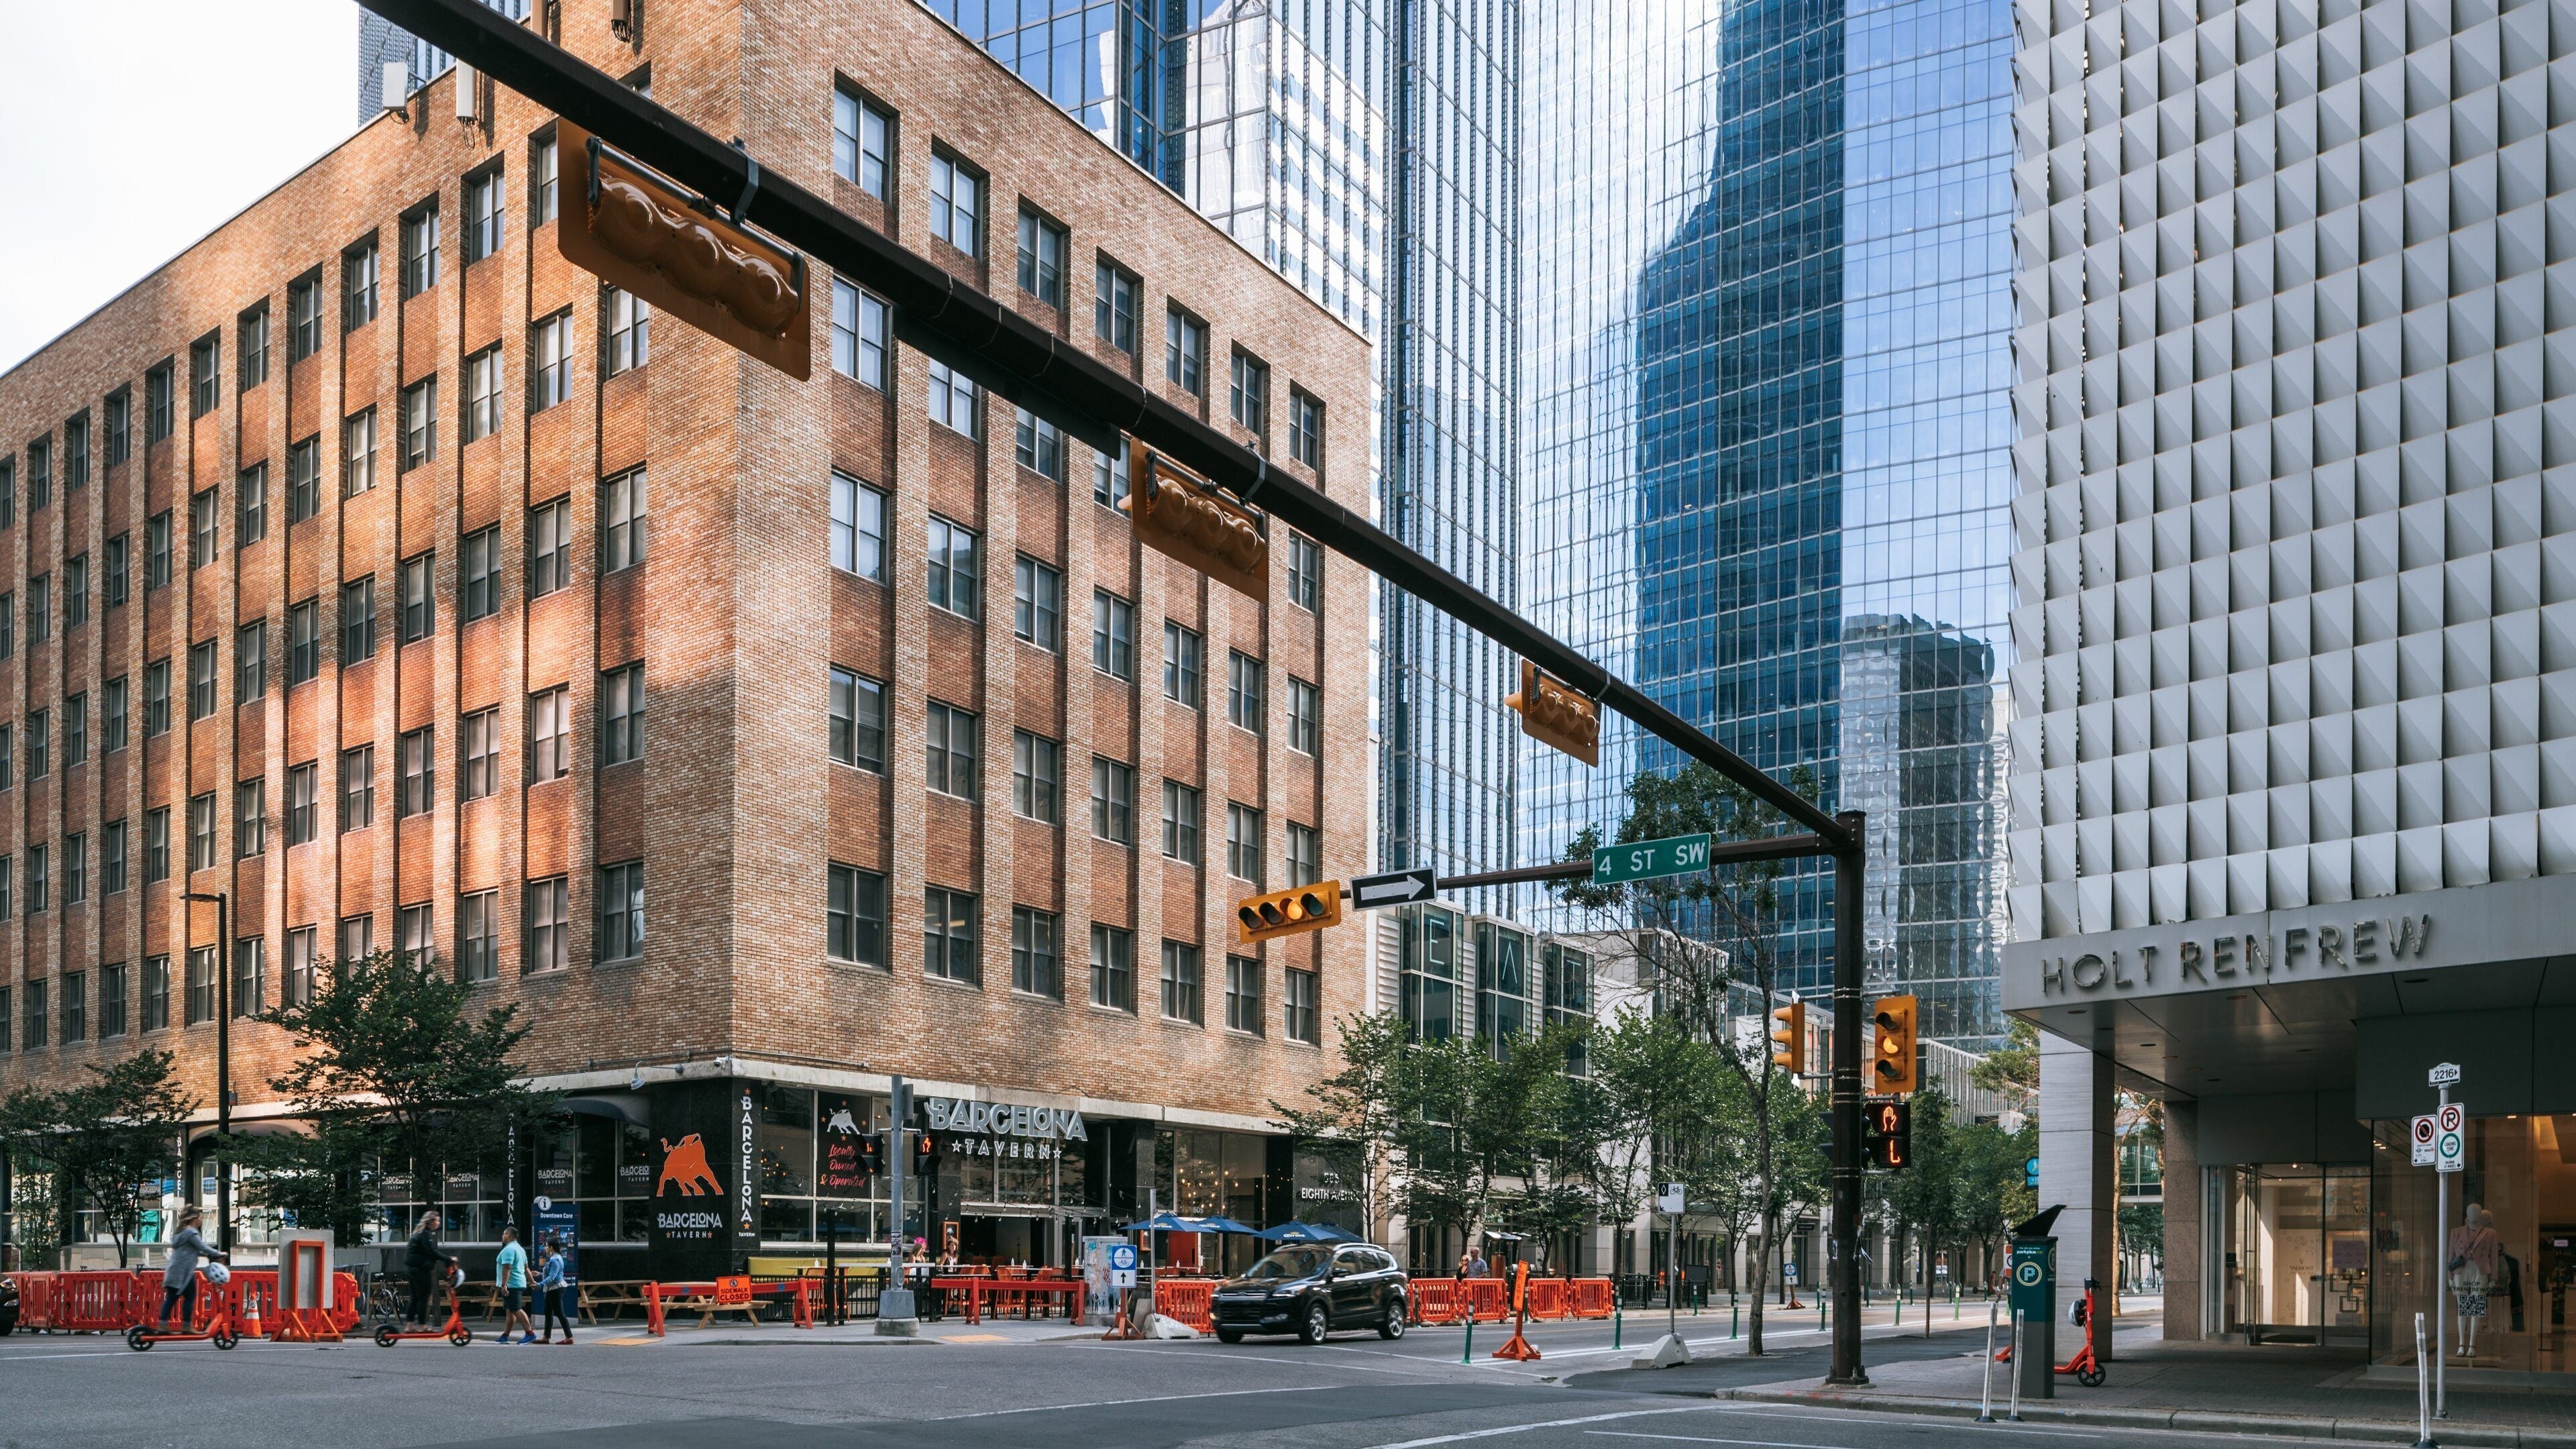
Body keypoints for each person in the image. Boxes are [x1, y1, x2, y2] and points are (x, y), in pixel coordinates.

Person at [155, 1208, 229, 1332]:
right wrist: (218, 1253)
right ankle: (186, 1325)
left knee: (173, 1298)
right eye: (200, 1218)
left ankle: (164, 1324)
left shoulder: (181, 1233)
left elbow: (193, 1250)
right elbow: (202, 1247)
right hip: (182, 1273)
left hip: (176, 1271)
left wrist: (207, 1255)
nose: (201, 1220)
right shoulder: (191, 1233)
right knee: (189, 1297)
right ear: (194, 1219)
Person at [404, 1212, 455, 1329]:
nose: (439, 1223)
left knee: (415, 1297)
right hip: (420, 1270)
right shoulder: (426, 1235)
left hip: (412, 1269)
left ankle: (410, 1326)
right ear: (431, 1222)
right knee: (424, 1298)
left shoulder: (420, 1233)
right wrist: (449, 1259)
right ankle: (422, 1325)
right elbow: (432, 1252)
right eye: (437, 1220)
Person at [494, 1226, 535, 1345]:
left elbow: (507, 1267)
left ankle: (530, 1334)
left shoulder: (509, 1250)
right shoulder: (520, 1249)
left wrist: (504, 1285)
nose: (502, 1236)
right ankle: (505, 1336)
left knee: (516, 1309)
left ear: (509, 1235)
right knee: (510, 1311)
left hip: (512, 1285)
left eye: (504, 1234)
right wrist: (531, 1281)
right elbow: (526, 1268)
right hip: (519, 1283)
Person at [535, 1242, 574, 1344]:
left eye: (547, 1246)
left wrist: (540, 1284)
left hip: (555, 1289)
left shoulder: (555, 1259)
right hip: (551, 1288)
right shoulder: (555, 1258)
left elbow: (553, 1277)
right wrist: (540, 1274)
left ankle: (569, 1337)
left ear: (551, 1248)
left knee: (559, 1313)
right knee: (548, 1312)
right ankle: (546, 1337)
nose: (545, 1248)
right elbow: (552, 1274)